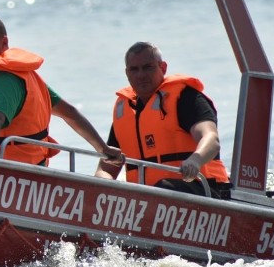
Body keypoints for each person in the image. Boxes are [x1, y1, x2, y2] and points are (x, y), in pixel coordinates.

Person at [0, 14, 121, 165]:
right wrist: (102, 148)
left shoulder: (5, 78)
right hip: (33, 167)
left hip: (12, 170)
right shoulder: (25, 75)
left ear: (4, 42)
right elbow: (69, 112)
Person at [95, 41, 231, 198]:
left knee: (162, 189)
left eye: (148, 67)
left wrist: (195, 160)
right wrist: (102, 186)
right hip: (148, 201)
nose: (141, 75)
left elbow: (211, 138)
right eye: (134, 69)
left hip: (203, 190)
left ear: (163, 68)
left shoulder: (185, 97)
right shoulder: (124, 112)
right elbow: (106, 168)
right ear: (127, 73)